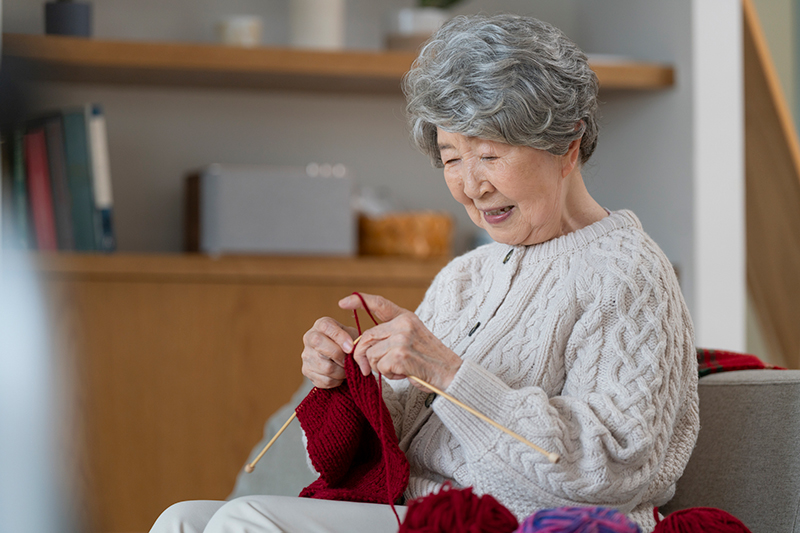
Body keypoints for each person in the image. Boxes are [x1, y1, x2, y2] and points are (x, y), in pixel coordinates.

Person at [150, 13, 698, 533]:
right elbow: (393, 451)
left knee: (248, 524)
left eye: (489, 154)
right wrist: (343, 383)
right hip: (414, 510)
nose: (469, 185)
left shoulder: (626, 272)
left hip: (512, 522)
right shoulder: (467, 275)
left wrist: (449, 373)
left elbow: (622, 468)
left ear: (568, 141)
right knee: (184, 520)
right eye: (451, 157)